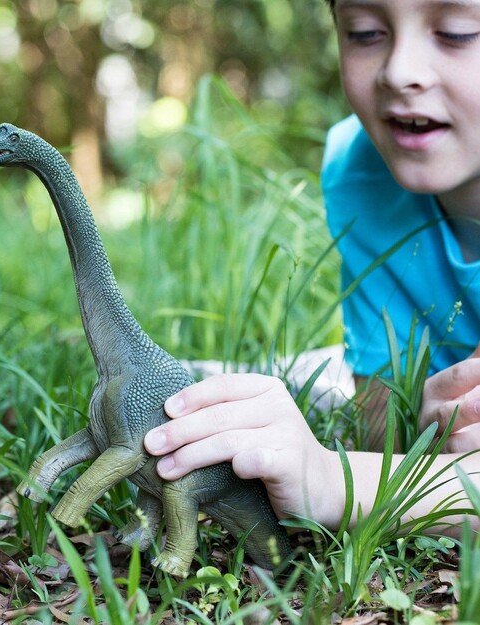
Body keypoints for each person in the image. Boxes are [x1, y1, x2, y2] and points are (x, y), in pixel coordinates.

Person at [144, 0, 480, 535]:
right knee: (329, 379)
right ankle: (247, 376)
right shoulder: (363, 166)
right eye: (365, 32)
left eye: (459, 32)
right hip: (435, 372)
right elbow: (381, 421)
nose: (399, 71)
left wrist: (328, 479)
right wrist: (421, 437)